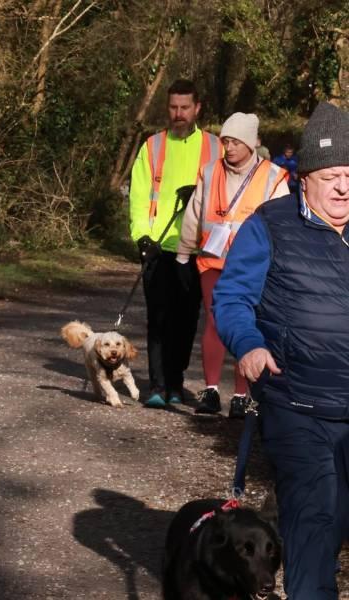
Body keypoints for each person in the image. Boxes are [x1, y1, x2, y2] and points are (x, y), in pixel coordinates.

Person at [214, 101, 349, 599]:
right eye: (332, 175)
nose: (343, 186)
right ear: (306, 177)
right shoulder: (269, 225)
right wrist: (248, 345)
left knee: (336, 522)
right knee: (312, 525)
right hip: (298, 404)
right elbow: (231, 298)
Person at [175, 112, 289, 418]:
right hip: (214, 261)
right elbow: (194, 213)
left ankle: (242, 395)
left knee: (247, 325)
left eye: (236, 142)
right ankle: (210, 391)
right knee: (214, 323)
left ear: (251, 143)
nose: (229, 147)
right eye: (226, 141)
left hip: (253, 266)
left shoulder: (274, 176)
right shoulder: (210, 172)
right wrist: (184, 251)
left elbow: (283, 224)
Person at [129, 79, 221, 408]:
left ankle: (176, 382)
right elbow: (139, 196)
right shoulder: (153, 146)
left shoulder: (215, 147)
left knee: (186, 320)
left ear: (197, 109)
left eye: (185, 107)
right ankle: (157, 385)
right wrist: (141, 235)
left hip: (196, 249)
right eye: (173, 107)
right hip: (158, 245)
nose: (178, 114)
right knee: (159, 317)